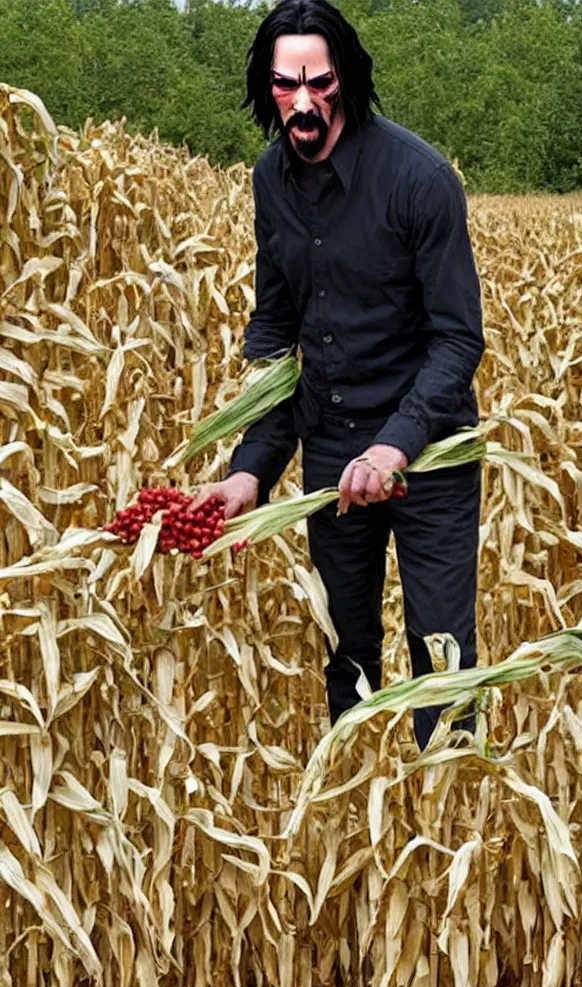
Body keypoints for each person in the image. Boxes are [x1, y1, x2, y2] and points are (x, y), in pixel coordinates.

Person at [193, 0, 484, 750]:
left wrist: (394, 447)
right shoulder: (270, 180)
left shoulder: (420, 180)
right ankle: (351, 824)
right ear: (267, 86)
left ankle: (447, 815)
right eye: (285, 84)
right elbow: (282, 341)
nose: (301, 101)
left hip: (430, 458)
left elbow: (458, 341)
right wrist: (250, 472)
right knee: (346, 651)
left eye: (318, 83)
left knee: (442, 657)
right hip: (328, 450)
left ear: (344, 82)